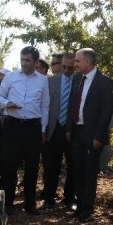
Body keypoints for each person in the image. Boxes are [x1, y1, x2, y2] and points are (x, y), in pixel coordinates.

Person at [0, 46, 50, 215]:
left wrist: (42, 129)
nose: (24, 63)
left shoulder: (42, 80)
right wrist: (7, 104)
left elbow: (45, 106)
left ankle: (30, 204)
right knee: (9, 166)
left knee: (32, 166)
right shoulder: (11, 77)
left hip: (33, 127)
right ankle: (8, 204)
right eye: (22, 60)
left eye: (28, 60)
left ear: (35, 62)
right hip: (13, 125)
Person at [65, 48, 113, 222]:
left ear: (87, 62)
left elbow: (106, 112)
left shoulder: (105, 82)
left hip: (93, 134)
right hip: (77, 131)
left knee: (89, 171)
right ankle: (80, 205)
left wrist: (99, 137)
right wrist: (69, 129)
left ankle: (87, 208)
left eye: (77, 61)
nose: (74, 64)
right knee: (77, 169)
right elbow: (72, 104)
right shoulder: (77, 79)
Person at [41, 53, 77, 210]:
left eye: (70, 67)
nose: (67, 70)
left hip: (73, 130)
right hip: (53, 129)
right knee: (51, 166)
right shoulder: (50, 81)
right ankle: (48, 198)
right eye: (64, 67)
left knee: (73, 165)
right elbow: (44, 105)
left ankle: (70, 198)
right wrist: (43, 129)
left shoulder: (80, 81)